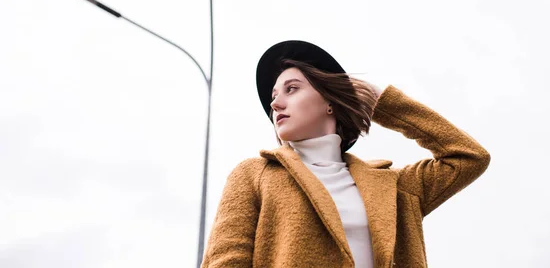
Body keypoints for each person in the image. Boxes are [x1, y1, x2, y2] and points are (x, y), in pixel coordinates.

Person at [201, 40, 491, 267]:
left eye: (292, 89)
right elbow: (225, 263)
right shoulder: (254, 175)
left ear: (329, 101)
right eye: (273, 96)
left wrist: (384, 104)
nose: (276, 104)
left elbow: (468, 156)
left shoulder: (396, 187)